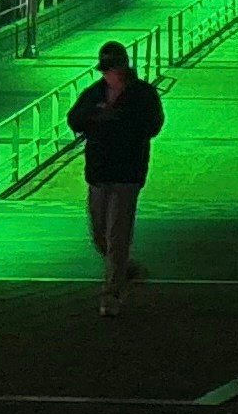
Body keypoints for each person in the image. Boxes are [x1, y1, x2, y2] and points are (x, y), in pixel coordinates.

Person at [62, 38, 164, 316]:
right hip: (99, 171)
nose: (109, 76)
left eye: (113, 70)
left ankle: (112, 294)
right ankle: (125, 269)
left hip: (128, 172)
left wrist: (119, 122)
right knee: (100, 234)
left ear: (123, 68)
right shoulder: (95, 93)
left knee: (117, 234)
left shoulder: (142, 94)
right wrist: (97, 118)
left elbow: (153, 125)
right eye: (106, 71)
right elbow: (74, 119)